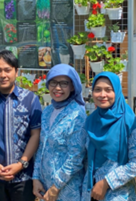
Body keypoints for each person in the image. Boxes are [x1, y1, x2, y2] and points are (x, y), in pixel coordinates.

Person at [0, 50, 42, 201]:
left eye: (7, 70)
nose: (3, 75)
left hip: (23, 177)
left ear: (16, 72)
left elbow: (35, 134)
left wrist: (21, 163)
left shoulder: (30, 100)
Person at [83, 72, 136, 201]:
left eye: (108, 90)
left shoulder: (128, 120)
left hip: (118, 194)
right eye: (97, 90)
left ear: (117, 91)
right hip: (90, 192)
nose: (102, 95)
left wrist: (106, 183)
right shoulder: (91, 120)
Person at [31, 64, 87, 201]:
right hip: (45, 186)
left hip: (67, 189)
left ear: (72, 86)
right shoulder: (47, 111)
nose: (57, 88)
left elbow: (76, 156)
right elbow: (41, 148)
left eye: (64, 83)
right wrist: (36, 178)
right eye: (53, 82)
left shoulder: (77, 114)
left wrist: (56, 187)